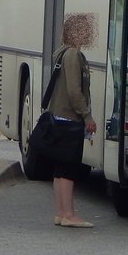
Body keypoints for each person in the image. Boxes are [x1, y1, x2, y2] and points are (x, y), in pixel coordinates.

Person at [47, 13, 99, 228]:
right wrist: (87, 115)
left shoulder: (61, 52)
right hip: (70, 119)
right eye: (84, 29)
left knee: (60, 169)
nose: (88, 33)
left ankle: (60, 213)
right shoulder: (73, 55)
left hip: (58, 117)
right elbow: (74, 91)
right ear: (75, 32)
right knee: (69, 168)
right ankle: (69, 214)